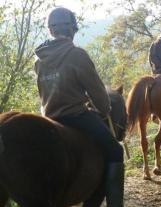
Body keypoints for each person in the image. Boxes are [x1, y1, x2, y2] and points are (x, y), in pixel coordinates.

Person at [34, 7, 124, 207]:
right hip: (76, 116)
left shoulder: (39, 60)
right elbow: (98, 94)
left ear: (51, 30)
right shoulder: (77, 55)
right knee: (116, 150)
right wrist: (104, 108)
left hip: (48, 116)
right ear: (72, 29)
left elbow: (43, 93)